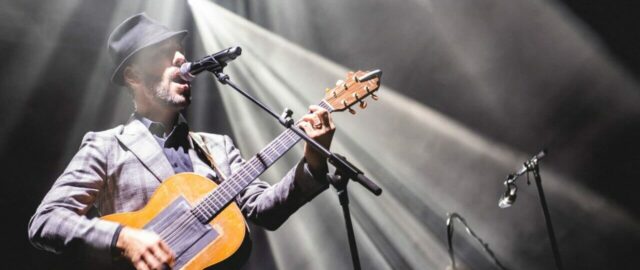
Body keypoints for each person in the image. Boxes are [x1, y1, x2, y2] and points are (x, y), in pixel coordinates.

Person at [28, 13, 335, 269]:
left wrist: (314, 161)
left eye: (179, 49)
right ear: (133, 76)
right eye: (164, 52)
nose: (181, 58)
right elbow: (47, 221)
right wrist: (123, 238)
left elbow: (264, 211)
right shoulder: (106, 146)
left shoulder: (218, 148)